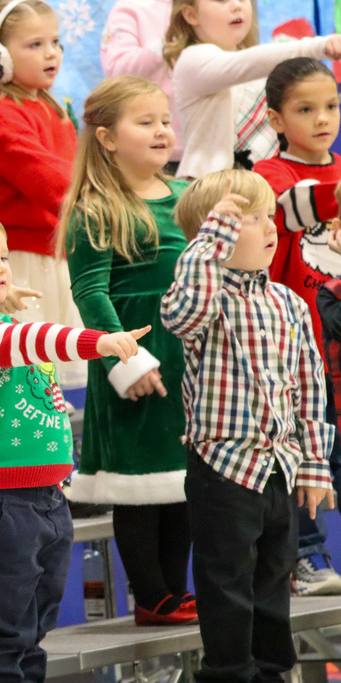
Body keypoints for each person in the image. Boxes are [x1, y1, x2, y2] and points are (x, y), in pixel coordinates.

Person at [0, 205, 147, 683]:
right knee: (1, 642)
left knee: (32, 634)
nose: (2, 267)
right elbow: (23, 342)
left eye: (4, 257)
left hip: (44, 498)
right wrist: (95, 342)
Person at [161, 169, 335, 683]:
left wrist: (314, 466)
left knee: (273, 582)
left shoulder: (288, 303)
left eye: (268, 217)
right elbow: (181, 313)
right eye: (249, 220)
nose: (267, 228)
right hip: (223, 468)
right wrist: (211, 240)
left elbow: (310, 389)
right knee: (226, 585)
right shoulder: (202, 301)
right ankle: (229, 672)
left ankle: (274, 672)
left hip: (280, 468)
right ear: (211, 239)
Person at [59, 76, 194, 625]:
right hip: (133, 357)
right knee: (139, 482)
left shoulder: (187, 197)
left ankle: (176, 589)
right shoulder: (95, 209)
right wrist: (126, 360)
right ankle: (151, 594)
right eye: (146, 122)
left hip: (189, 360)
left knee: (182, 477)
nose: (162, 130)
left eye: (165, 119)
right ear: (108, 138)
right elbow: (90, 293)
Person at [0, 0, 86, 391]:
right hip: (25, 261)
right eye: (35, 44)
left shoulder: (52, 108)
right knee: (30, 373)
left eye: (55, 42)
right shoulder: (0, 113)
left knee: (58, 375)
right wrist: (104, 202)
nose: (51, 53)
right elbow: (50, 182)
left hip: (58, 253)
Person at [254, 57, 341, 596]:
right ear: (275, 118)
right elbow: (287, 211)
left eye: (331, 106)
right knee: (308, 456)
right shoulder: (269, 177)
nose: (322, 118)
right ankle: (303, 559)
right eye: (304, 109)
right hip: (300, 350)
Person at [164, 0, 341, 179]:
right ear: (190, 15)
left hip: (265, 186)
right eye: (221, 0)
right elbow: (247, 63)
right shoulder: (191, 60)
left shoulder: (255, 64)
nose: (236, 6)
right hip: (210, 190)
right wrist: (317, 46)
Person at [100, 0, 183, 168]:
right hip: (149, 153)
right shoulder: (131, 7)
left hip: (212, 146)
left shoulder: (208, 6)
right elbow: (117, 71)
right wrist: (166, 44)